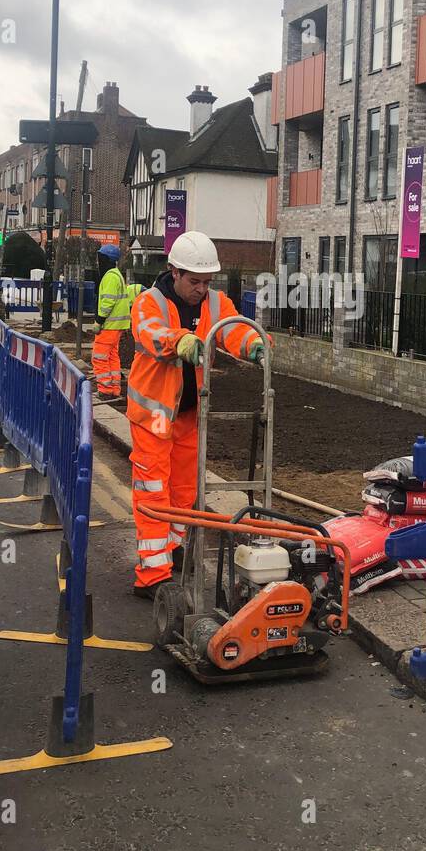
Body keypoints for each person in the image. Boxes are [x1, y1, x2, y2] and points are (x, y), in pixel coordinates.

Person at [126, 230, 265, 598]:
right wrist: (180, 341)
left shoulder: (216, 304)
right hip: (155, 415)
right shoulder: (149, 301)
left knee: (185, 489)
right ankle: (152, 572)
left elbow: (232, 328)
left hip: (189, 413)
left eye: (207, 282)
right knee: (153, 488)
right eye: (194, 281)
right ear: (174, 272)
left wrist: (253, 344)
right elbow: (149, 334)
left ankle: (173, 551)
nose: (201, 289)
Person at [91, 243, 137, 398]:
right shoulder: (117, 274)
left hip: (109, 325)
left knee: (99, 357)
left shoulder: (110, 276)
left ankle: (105, 390)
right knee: (112, 357)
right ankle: (114, 389)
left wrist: (99, 320)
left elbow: (107, 302)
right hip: (117, 326)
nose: (98, 262)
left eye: (100, 259)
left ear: (106, 260)